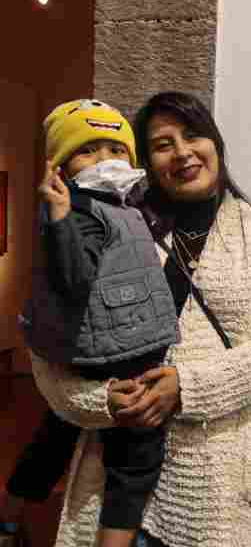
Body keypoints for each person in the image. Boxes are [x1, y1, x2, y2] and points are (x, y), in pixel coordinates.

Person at [29, 91, 251, 547]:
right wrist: (105, 402)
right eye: (162, 144)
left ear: (215, 143)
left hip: (222, 491)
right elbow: (50, 351)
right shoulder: (105, 225)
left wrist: (186, 386)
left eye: (193, 135)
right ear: (146, 162)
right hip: (113, 495)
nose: (182, 152)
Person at [4, 99, 179, 547]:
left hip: (121, 341)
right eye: (88, 151)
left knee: (56, 436)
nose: (105, 160)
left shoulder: (123, 204)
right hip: (118, 352)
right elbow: (74, 277)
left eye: (114, 149)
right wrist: (60, 217)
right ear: (62, 166)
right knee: (135, 459)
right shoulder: (78, 209)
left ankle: (10, 511)